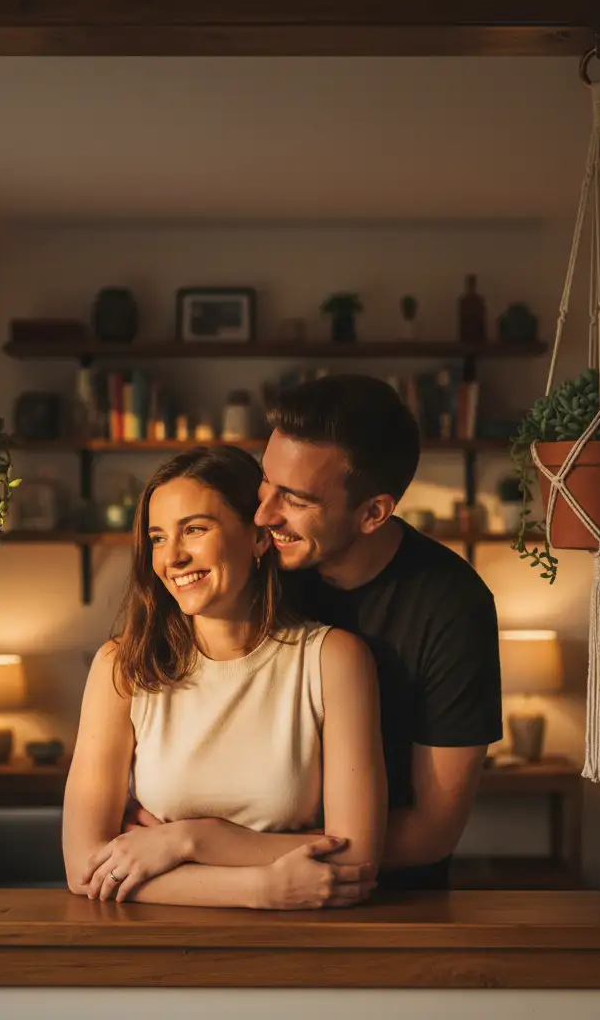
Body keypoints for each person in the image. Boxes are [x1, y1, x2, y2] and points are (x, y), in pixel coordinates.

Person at [124, 374, 503, 892]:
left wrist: (200, 844)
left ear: (373, 513)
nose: (263, 515)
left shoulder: (452, 607)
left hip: (390, 907)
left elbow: (432, 832)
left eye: (296, 499)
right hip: (214, 895)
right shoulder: (261, 566)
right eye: (265, 484)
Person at [62, 445, 387, 909]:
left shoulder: (334, 659)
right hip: (158, 952)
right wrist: (262, 887)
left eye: (194, 529)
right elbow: (85, 868)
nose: (171, 558)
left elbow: (355, 857)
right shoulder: (122, 665)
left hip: (301, 950)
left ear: (258, 538)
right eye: (156, 538)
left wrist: (188, 841)